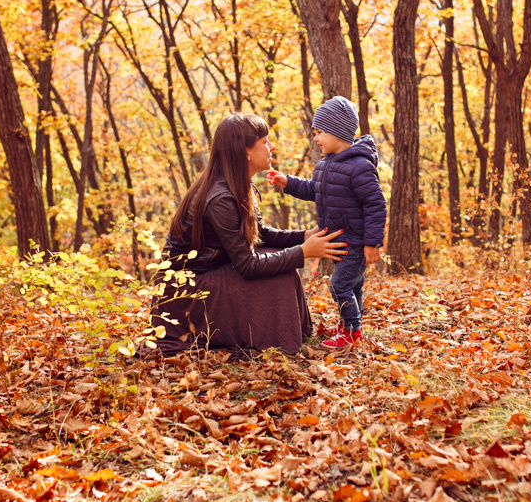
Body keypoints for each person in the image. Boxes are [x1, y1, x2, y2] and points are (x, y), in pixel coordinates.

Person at [150, 113, 348, 356]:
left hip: (209, 272)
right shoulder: (220, 196)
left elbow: (260, 234)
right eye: (265, 142)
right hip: (185, 291)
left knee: (280, 260)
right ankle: (277, 343)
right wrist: (303, 252)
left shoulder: (237, 183)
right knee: (280, 273)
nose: (272, 146)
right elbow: (247, 265)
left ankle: (294, 333)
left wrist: (305, 235)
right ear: (244, 151)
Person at [267, 95, 387, 350]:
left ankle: (351, 332)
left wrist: (372, 243)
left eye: (320, 132)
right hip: (340, 240)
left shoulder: (360, 167)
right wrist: (287, 182)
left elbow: (375, 205)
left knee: (339, 285)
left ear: (338, 131)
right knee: (352, 286)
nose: (316, 138)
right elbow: (314, 190)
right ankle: (350, 326)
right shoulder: (325, 165)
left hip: (354, 240)